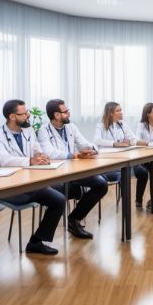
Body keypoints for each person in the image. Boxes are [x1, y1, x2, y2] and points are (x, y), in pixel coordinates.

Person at [0, 99, 65, 255]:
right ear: (12, 117)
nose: (28, 116)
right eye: (24, 114)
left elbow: (37, 149)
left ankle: (36, 242)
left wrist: (41, 156)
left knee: (58, 200)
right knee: (55, 195)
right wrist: (31, 160)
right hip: (11, 187)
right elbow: (3, 160)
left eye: (27, 112)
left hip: (30, 183)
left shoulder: (28, 130)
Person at [38, 99, 108, 239]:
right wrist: (74, 155)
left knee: (101, 184)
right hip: (56, 173)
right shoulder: (43, 130)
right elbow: (49, 153)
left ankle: (74, 219)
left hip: (73, 171)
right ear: (57, 115)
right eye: (66, 111)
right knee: (79, 189)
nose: (68, 113)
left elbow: (83, 143)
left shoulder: (71, 127)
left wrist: (92, 149)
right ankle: (72, 221)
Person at [92, 101, 137, 183]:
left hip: (121, 158)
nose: (121, 112)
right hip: (107, 161)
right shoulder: (101, 125)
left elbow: (134, 140)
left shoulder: (122, 123)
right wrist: (115, 143)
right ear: (111, 113)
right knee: (125, 174)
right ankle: (124, 196)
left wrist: (129, 142)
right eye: (118, 111)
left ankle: (125, 196)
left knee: (132, 170)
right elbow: (96, 140)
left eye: (121, 110)